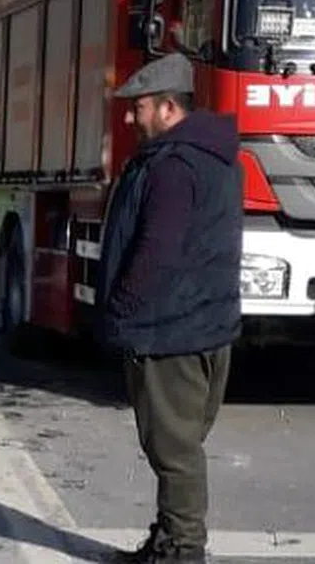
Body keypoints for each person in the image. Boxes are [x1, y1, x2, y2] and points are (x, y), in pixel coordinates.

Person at [97, 53, 242, 564]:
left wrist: (122, 308)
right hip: (204, 323)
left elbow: (157, 247)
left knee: (174, 451)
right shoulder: (215, 157)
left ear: (167, 107)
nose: (131, 119)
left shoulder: (174, 166)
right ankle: (168, 542)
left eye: (139, 109)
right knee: (178, 445)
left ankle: (182, 552)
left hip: (170, 329)